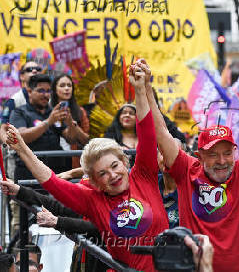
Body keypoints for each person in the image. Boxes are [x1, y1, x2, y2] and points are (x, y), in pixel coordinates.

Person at [1, 59, 169, 271]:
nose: (113, 175)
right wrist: (22, 149)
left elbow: (146, 130)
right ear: (95, 181)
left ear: (125, 161)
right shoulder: (93, 200)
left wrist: (140, 89)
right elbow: (51, 183)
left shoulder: (143, 176)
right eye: (103, 173)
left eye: (115, 165)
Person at [138, 59, 239, 272]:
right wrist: (147, 87)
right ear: (199, 156)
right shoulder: (187, 170)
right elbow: (160, 131)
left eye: (227, 153)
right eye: (213, 155)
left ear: (235, 152)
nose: (222, 161)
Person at [9, 74, 86, 180]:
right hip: (28, 173)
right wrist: (48, 122)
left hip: (54, 172)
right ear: (30, 91)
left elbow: (71, 139)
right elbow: (21, 136)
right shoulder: (19, 112)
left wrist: (70, 124)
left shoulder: (53, 112)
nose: (45, 95)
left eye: (48, 91)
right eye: (41, 91)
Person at [50, 74, 89, 168]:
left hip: (74, 160)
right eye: (62, 85)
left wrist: (72, 124)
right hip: (51, 159)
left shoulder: (80, 111)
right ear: (55, 89)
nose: (67, 88)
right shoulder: (48, 110)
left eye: (69, 85)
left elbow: (87, 140)